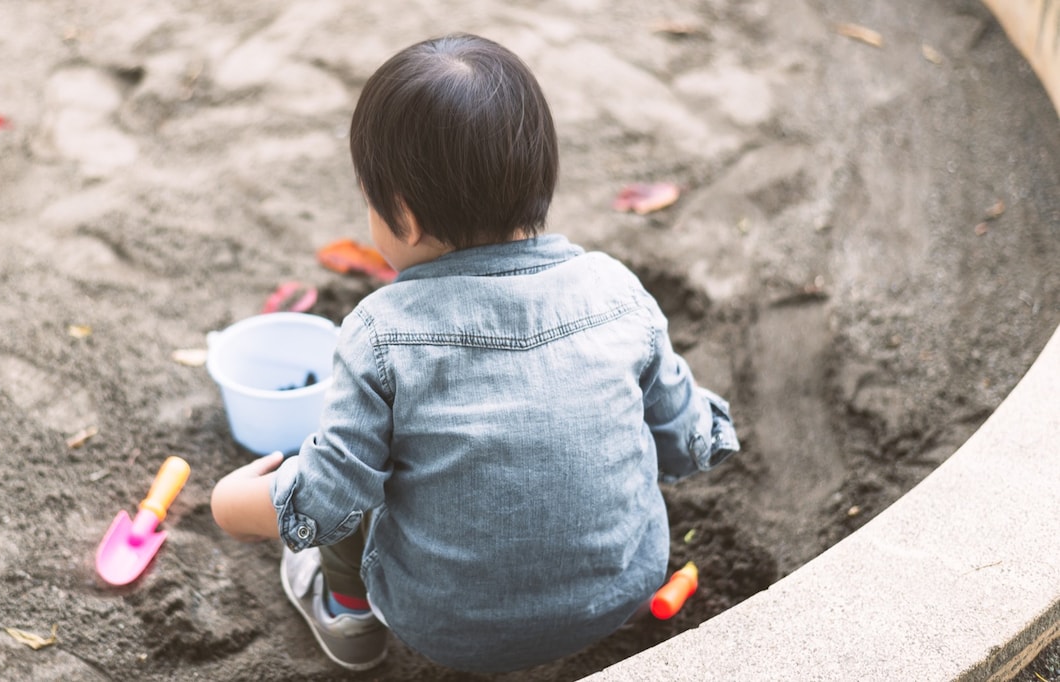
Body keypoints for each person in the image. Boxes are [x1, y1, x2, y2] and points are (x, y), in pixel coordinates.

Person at [210, 32, 739, 674]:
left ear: (401, 215)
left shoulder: (379, 332)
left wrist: (232, 506)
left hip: (446, 628)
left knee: (347, 467)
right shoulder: (615, 291)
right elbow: (683, 439)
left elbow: (331, 496)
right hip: (619, 593)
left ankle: (350, 617)